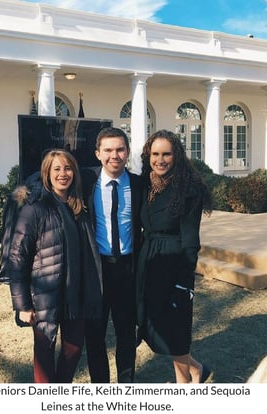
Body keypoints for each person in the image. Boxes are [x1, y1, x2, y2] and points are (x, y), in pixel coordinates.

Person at [7, 149, 103, 383]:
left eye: (68, 168)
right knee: (44, 355)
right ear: (46, 173)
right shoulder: (35, 209)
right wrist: (22, 305)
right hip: (45, 297)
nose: (63, 174)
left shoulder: (79, 207)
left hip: (75, 296)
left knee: (73, 350)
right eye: (56, 169)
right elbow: (17, 259)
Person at [136, 129, 212, 383]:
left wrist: (183, 282)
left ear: (176, 155)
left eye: (166, 154)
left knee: (174, 326)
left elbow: (191, 241)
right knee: (149, 323)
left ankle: (185, 382)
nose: (161, 159)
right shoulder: (144, 184)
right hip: (148, 260)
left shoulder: (189, 189)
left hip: (173, 261)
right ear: (148, 155)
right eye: (155, 154)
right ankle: (196, 367)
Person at [81, 127, 142, 383]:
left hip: (127, 270)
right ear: (98, 153)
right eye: (107, 150)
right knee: (94, 336)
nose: (113, 155)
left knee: (126, 335)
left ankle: (125, 386)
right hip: (96, 271)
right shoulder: (85, 181)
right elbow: (45, 178)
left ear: (127, 153)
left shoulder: (140, 184)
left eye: (119, 149)